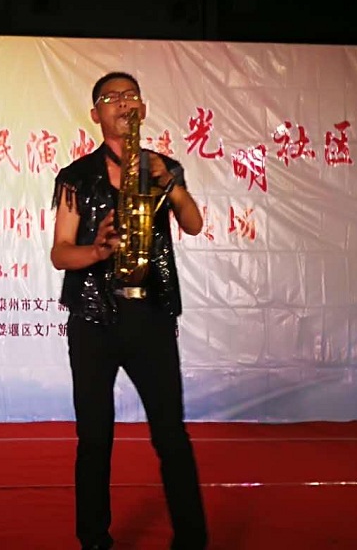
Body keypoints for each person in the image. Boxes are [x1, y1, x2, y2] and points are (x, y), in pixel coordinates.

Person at [50, 71, 208, 550]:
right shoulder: (76, 177)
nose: (122, 103)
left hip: (151, 316)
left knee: (170, 435)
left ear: (142, 109)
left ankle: (192, 540)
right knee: (95, 437)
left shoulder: (164, 168)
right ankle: (94, 539)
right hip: (92, 319)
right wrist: (98, 251)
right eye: (111, 97)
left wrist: (169, 183)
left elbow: (194, 224)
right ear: (95, 114)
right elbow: (60, 252)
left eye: (130, 96)